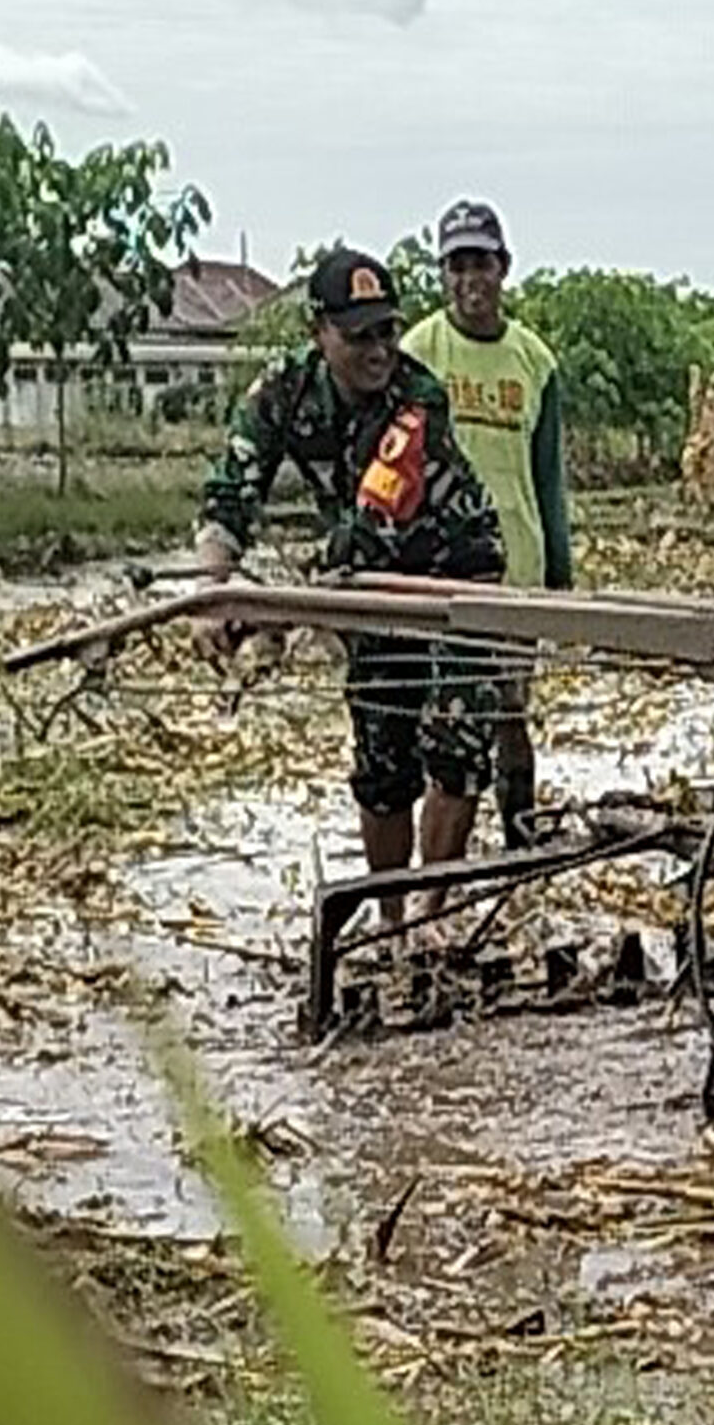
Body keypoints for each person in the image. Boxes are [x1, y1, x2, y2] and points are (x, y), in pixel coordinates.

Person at [190, 245, 504, 918]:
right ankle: (388, 919)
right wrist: (212, 590)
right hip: (366, 590)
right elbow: (230, 495)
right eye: (358, 335)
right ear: (318, 332)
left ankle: (430, 915)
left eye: (387, 331)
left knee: (456, 744)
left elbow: (372, 524)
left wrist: (273, 611)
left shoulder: (418, 399)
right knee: (383, 760)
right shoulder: (281, 395)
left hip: (456, 572)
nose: (377, 349)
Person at [398, 198, 573, 849]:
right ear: (444, 274)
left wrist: (560, 576)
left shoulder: (535, 361)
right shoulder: (418, 352)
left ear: (505, 268)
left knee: (507, 710)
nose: (472, 279)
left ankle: (519, 839)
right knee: (441, 720)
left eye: (484, 263)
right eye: (458, 265)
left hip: (514, 566)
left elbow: (549, 477)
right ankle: (443, 858)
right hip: (436, 571)